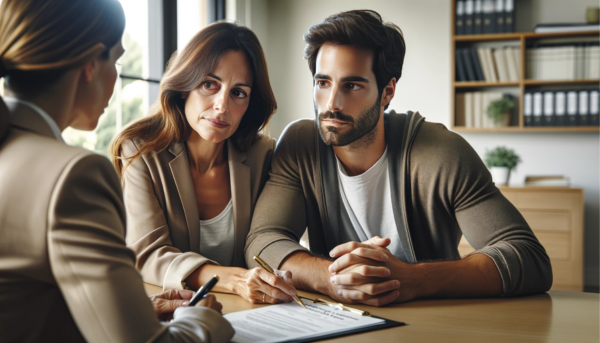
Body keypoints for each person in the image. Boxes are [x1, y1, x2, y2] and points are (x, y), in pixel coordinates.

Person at [245, 9, 552, 307]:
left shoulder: (441, 152)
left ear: (388, 91)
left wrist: (414, 280)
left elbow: (529, 258)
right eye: (323, 83)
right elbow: (263, 240)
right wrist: (332, 278)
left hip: (433, 325)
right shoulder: (301, 144)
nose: (332, 103)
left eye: (352, 85)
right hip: (343, 323)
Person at [0, 0, 233, 342]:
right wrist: (202, 320)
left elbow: (26, 305)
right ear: (92, 63)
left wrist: (135, 309)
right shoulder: (73, 176)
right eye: (118, 60)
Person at [110, 21, 298, 305]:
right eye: (209, 84)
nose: (222, 106)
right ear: (185, 85)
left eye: (238, 92)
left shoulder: (264, 156)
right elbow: (148, 254)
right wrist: (234, 280)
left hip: (252, 313)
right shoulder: (140, 151)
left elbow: (270, 241)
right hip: (169, 314)